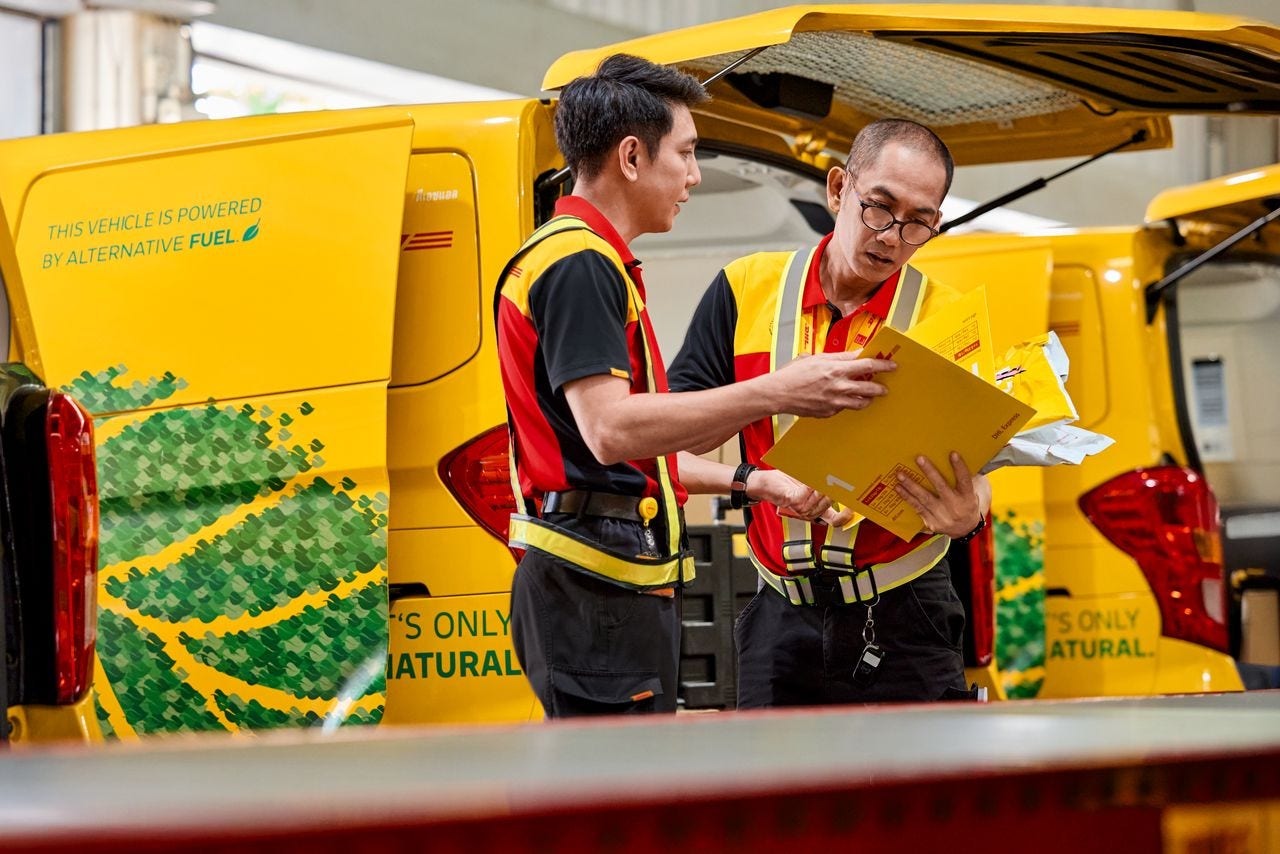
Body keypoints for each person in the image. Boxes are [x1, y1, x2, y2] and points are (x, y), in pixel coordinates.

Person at [494, 55, 899, 718]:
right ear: (631, 156)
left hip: (601, 579)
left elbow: (641, 441)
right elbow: (612, 431)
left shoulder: (579, 257)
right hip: (595, 584)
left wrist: (755, 481)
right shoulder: (579, 264)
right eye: (685, 153)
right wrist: (777, 391)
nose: (694, 175)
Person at [669, 118, 992, 708]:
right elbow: (665, 450)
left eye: (918, 221)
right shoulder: (745, 292)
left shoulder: (947, 320)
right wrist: (754, 481)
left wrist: (970, 514)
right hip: (777, 618)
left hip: (907, 613)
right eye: (879, 207)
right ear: (839, 189)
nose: (892, 236)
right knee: (778, 797)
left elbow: (975, 467)